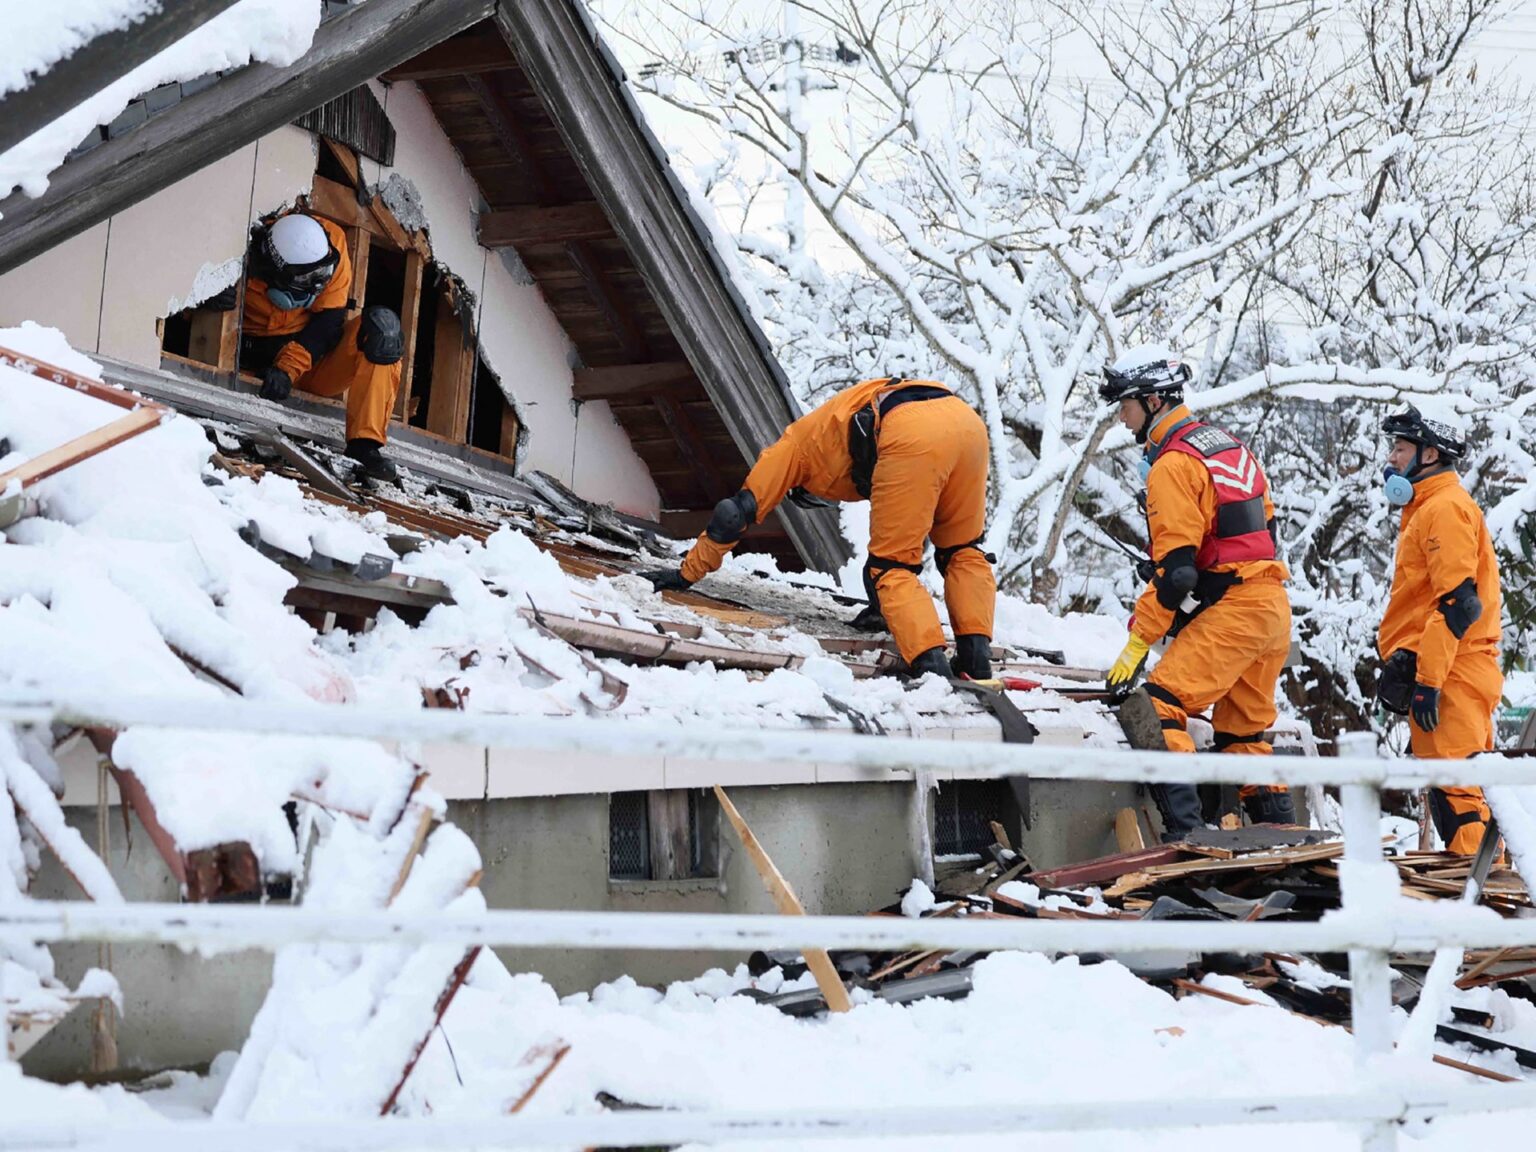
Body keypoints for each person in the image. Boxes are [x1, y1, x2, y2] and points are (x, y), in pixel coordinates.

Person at [641, 376, 998, 680]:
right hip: (965, 423)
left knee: (891, 565)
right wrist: (881, 611)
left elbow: (733, 514)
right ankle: (976, 657)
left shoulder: (794, 449)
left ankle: (930, 667)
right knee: (962, 551)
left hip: (909, 430)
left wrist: (687, 573)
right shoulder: (832, 430)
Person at [1099, 346, 1295, 840]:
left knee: (1157, 705)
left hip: (1236, 614)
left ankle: (1188, 836)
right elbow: (1252, 535)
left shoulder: (1171, 464)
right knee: (1243, 735)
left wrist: (1138, 644)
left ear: (1154, 402)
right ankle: (1282, 843)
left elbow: (1177, 576)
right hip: (1270, 606)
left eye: (1125, 405)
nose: (1121, 419)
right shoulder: (1228, 445)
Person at [1375, 405, 1503, 854]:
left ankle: (1484, 903)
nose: (1391, 457)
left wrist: (1428, 682)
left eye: (1401, 447)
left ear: (1429, 454)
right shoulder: (1427, 506)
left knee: (1459, 796)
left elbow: (1458, 604)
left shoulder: (1445, 509)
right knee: (1451, 792)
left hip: (1453, 674)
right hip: (1443, 670)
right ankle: (1476, 896)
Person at [239, 212, 404, 480]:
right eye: (305, 279)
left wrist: (287, 370)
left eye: (320, 275)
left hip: (309, 361)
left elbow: (326, 325)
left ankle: (365, 445)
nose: (316, 285)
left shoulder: (334, 244)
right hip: (244, 354)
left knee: (382, 329)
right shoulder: (238, 248)